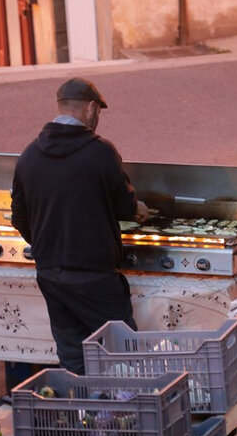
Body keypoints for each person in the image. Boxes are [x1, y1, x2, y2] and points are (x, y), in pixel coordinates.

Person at [11, 77, 148, 374]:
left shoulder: (29, 156)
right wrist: (139, 209)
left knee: (73, 357)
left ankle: (84, 414)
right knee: (123, 354)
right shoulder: (100, 152)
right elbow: (125, 208)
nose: (98, 118)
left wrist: (49, 246)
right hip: (95, 275)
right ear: (89, 108)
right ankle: (126, 414)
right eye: (98, 111)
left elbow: (19, 218)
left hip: (50, 274)